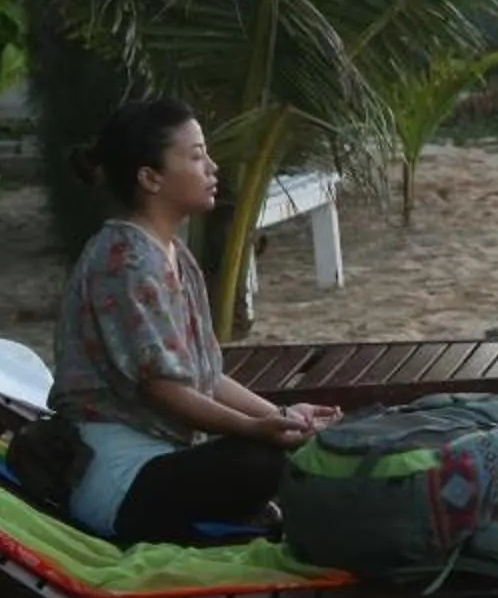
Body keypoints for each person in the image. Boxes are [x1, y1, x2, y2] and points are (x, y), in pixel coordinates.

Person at [52, 98, 340, 543]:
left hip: (165, 462)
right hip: (121, 480)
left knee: (285, 452)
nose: (212, 166)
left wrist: (284, 419)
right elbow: (163, 388)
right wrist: (256, 430)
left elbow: (205, 376)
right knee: (261, 462)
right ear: (149, 178)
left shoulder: (171, 254)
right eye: (196, 155)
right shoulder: (124, 261)